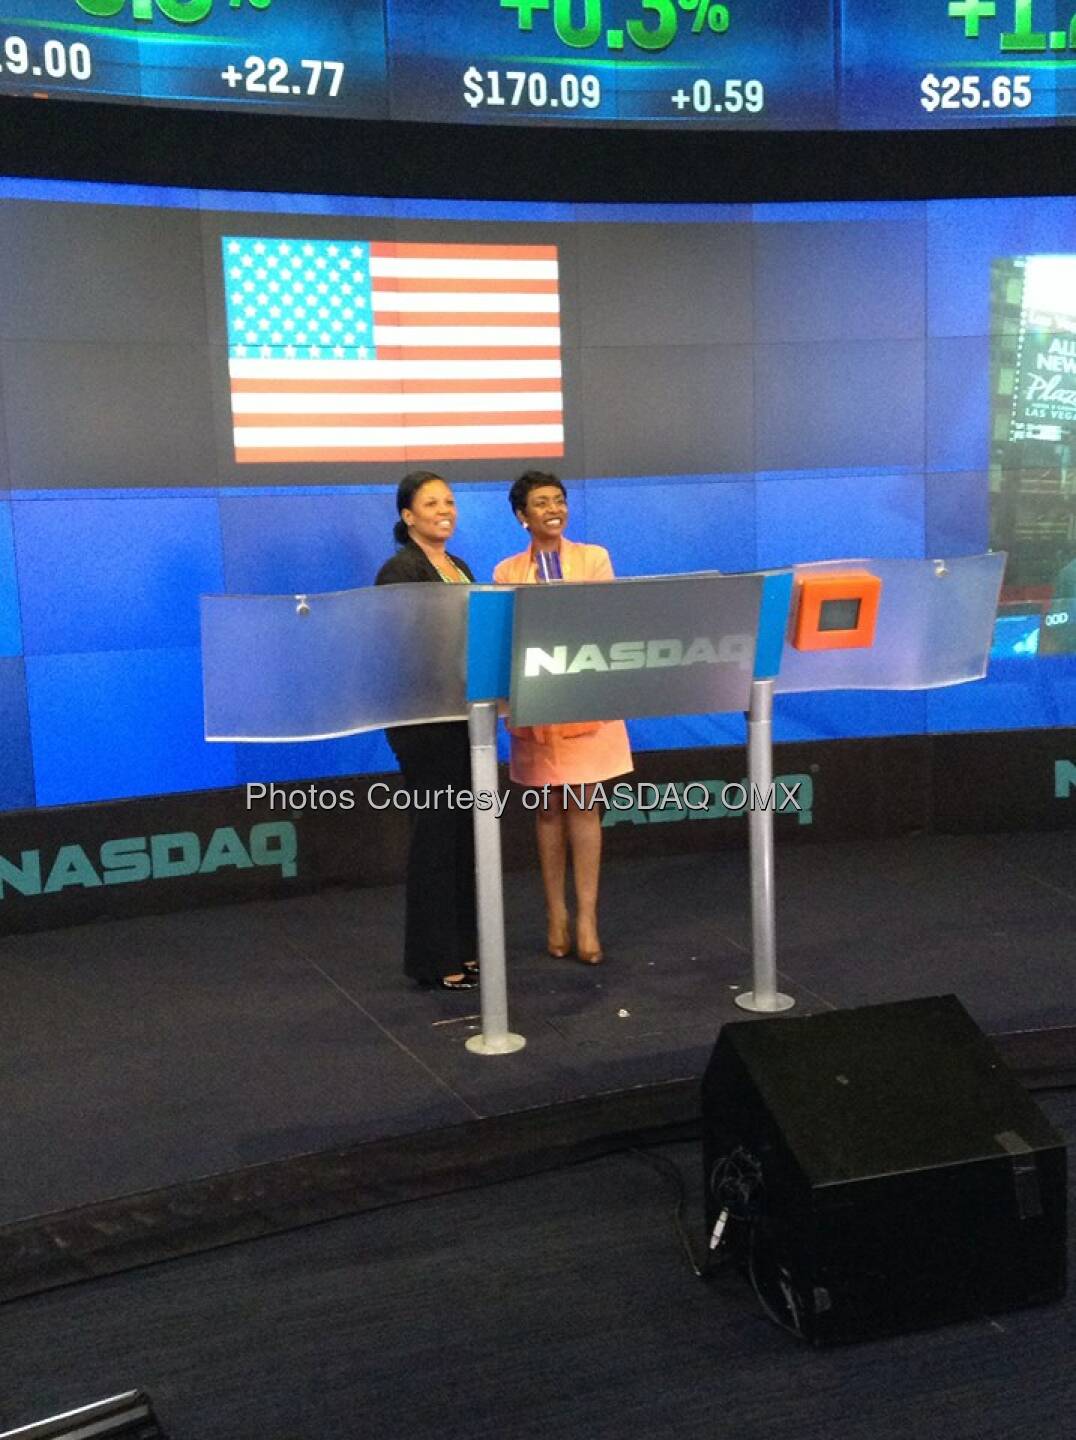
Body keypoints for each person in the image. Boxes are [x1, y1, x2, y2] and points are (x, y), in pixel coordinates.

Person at [493, 470, 633, 966]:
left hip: (584, 699)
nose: (553, 508)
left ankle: (588, 918)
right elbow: (511, 634)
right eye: (541, 503)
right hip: (537, 705)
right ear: (521, 517)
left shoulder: (593, 558)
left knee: (584, 807)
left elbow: (600, 620)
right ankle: (555, 914)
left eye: (559, 500)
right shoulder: (508, 571)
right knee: (548, 809)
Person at [375, 471, 478, 991]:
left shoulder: (459, 567)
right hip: (423, 723)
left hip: (466, 718)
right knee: (436, 834)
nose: (446, 509)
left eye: (451, 501)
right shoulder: (400, 571)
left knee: (466, 833)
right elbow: (402, 647)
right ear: (407, 516)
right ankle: (433, 957)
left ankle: (465, 944)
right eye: (432, 502)